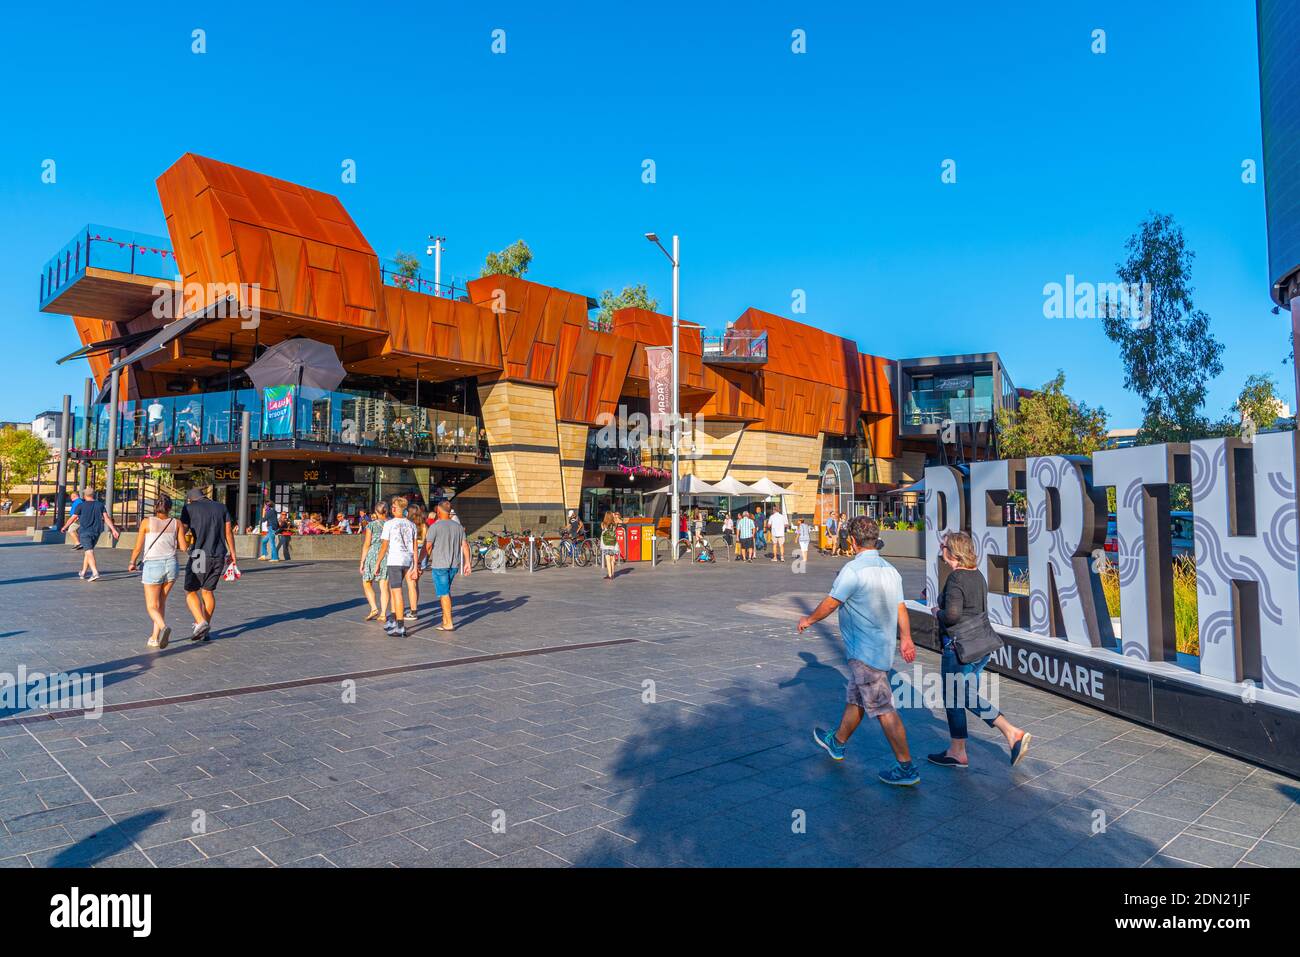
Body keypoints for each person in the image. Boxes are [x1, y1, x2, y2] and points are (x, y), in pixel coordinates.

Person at [797, 516, 921, 787]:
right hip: (881, 649)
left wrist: (808, 620)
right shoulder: (891, 570)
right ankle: (837, 742)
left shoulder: (852, 571)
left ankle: (906, 767)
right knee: (857, 698)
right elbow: (901, 607)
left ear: (852, 541)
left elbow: (831, 603)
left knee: (884, 708)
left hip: (865, 653)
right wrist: (907, 638)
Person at [928, 531, 1032, 769]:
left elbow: (953, 615)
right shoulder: (978, 575)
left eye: (943, 546)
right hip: (981, 646)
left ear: (952, 552)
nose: (940, 550)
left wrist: (936, 612)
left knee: (959, 695)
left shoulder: (956, 579)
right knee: (959, 696)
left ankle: (1011, 732)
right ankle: (957, 751)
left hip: (959, 648)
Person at [180, 486, 238, 642]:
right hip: (219, 554)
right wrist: (232, 553)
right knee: (207, 591)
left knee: (191, 590)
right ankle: (204, 630)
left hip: (199, 555)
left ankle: (201, 622)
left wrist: (181, 544)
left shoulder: (189, 508)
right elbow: (228, 532)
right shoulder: (221, 507)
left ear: (191, 499)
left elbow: (182, 530)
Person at [127, 494, 185, 649]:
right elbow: (184, 547)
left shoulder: (146, 522)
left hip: (153, 565)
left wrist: (132, 562)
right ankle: (154, 637)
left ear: (155, 507)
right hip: (172, 565)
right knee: (162, 602)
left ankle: (164, 627)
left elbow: (138, 547)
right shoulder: (176, 523)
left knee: (152, 605)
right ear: (170, 508)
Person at [417, 498, 472, 631]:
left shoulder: (435, 526)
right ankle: (445, 619)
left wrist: (418, 562)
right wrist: (468, 563)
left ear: (439, 510)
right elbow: (465, 545)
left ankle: (449, 623)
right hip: (454, 565)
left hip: (440, 565)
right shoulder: (458, 527)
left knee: (444, 593)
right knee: (445, 591)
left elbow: (427, 546)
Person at [375, 496, 416, 637]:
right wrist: (415, 565)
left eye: (393, 507)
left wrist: (378, 563)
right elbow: (415, 547)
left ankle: (400, 625)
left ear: (398, 509)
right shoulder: (411, 525)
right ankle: (393, 619)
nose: (391, 509)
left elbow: (384, 545)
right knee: (394, 590)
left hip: (395, 559)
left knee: (397, 592)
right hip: (407, 560)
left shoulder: (390, 524)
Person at [61, 488, 119, 581]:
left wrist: (65, 527)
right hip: (96, 532)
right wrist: (113, 529)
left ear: (84, 496)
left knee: (89, 551)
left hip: (84, 532)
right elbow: (106, 518)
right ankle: (83, 572)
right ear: (94, 495)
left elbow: (72, 518)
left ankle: (95, 572)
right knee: (88, 551)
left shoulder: (80, 505)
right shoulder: (100, 505)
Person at [358, 501, 389, 621]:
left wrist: (362, 562)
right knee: (384, 584)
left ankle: (374, 607)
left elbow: (366, 544)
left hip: (373, 554)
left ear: (376, 512)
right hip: (387, 554)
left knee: (367, 581)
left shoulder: (371, 525)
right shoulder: (391, 524)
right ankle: (383, 613)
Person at [404, 502, 427, 622]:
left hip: (412, 553)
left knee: (411, 583)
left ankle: (413, 610)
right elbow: (426, 541)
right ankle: (414, 607)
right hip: (422, 554)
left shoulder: (408, 525)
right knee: (415, 583)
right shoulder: (424, 525)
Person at [599, 511, 618, 580]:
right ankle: (612, 574)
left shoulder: (603, 524)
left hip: (606, 544)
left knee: (607, 559)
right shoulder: (614, 525)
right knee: (612, 559)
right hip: (612, 543)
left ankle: (609, 575)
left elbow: (603, 530)